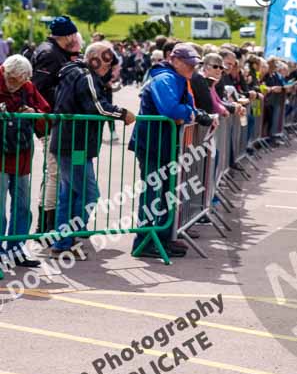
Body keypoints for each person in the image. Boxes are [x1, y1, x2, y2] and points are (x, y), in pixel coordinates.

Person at [49, 41, 136, 258]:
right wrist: (121, 113)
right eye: (107, 62)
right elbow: (96, 107)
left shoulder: (75, 72)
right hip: (75, 144)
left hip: (70, 142)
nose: (109, 67)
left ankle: (63, 242)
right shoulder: (84, 75)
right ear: (96, 58)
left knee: (68, 194)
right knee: (88, 193)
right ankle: (69, 238)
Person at [131, 43, 208, 258]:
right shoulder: (164, 78)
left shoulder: (178, 79)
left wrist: (191, 113)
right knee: (152, 194)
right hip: (153, 144)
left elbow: (186, 109)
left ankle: (163, 238)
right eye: (188, 64)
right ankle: (145, 242)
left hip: (164, 144)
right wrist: (191, 114)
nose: (192, 68)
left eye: (194, 64)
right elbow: (171, 109)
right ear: (174, 60)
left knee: (167, 193)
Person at [31, 15, 82, 234]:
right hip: (51, 122)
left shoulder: (53, 52)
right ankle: (46, 226)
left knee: (54, 173)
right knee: (54, 173)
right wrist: (67, 96)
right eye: (73, 34)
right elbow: (38, 88)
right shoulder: (50, 54)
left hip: (53, 121)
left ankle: (48, 224)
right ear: (68, 35)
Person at [0, 55, 51, 267]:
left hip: (21, 156)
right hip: (1, 157)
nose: (16, 85)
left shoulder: (27, 86)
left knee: (22, 206)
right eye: (13, 81)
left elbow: (45, 112)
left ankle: (16, 249)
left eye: (20, 81)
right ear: (5, 72)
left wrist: (34, 113)